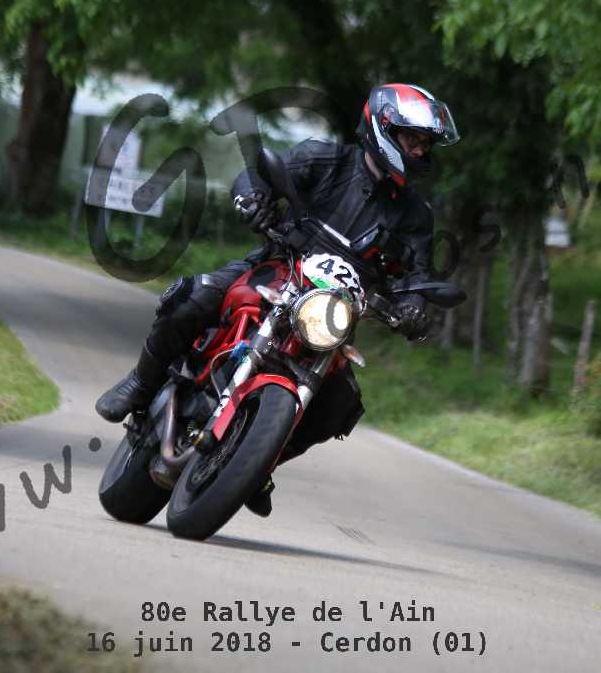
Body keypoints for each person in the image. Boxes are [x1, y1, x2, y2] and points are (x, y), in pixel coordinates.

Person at [95, 83, 459, 516]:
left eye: (425, 143)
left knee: (340, 405)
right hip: (276, 266)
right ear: (383, 128)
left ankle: (258, 461)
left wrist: (415, 307)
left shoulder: (416, 216)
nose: (419, 150)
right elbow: (255, 174)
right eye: (412, 139)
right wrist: (253, 199)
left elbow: (419, 274)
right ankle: (139, 384)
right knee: (195, 295)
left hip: (333, 313)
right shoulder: (325, 159)